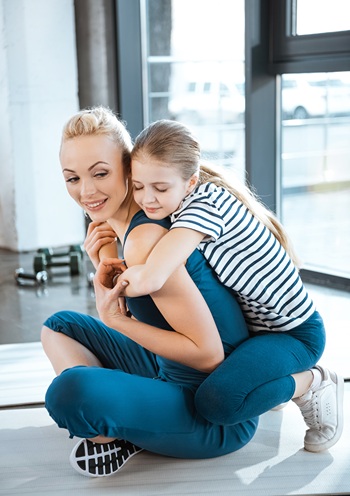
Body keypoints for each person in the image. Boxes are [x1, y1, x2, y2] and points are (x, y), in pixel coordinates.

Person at [41, 106, 259, 478]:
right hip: (163, 371)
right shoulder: (116, 224)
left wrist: (114, 322)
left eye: (100, 173)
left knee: (68, 392)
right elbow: (141, 309)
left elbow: (208, 356)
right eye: (72, 178)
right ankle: (123, 422)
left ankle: (121, 424)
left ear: (130, 170)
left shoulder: (144, 240)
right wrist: (103, 261)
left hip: (213, 412)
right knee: (58, 326)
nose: (86, 191)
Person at [117, 119, 344, 454]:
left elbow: (152, 276)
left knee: (218, 404)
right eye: (138, 186)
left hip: (294, 334)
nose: (146, 199)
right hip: (258, 333)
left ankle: (312, 383)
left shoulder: (204, 207)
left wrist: (112, 284)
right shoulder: (185, 201)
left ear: (190, 182)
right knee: (214, 386)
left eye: (160, 189)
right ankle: (270, 382)